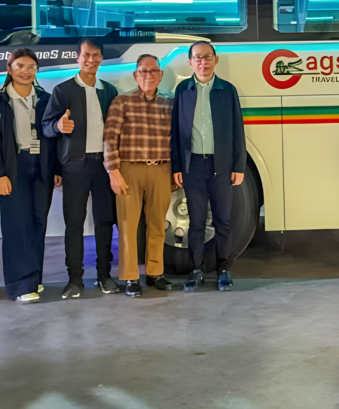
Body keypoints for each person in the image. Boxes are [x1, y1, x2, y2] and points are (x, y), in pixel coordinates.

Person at [43, 38, 120, 299]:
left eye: (96, 55)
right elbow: (46, 126)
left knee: (104, 222)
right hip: (74, 166)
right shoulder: (62, 90)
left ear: (101, 58)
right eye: (86, 55)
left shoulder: (109, 91)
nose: (91, 60)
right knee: (73, 224)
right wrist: (57, 127)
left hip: (103, 166)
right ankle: (74, 279)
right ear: (78, 57)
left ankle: (104, 276)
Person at [0, 49, 61, 303]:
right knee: (17, 226)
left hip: (42, 167)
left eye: (31, 66)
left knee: (38, 223)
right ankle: (19, 286)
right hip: (13, 168)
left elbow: (56, 138)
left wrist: (57, 169)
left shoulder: (46, 99)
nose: (26, 71)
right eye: (20, 66)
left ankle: (33, 279)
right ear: (9, 69)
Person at [171, 42, 246, 292]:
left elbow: (237, 130)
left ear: (215, 60)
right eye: (197, 58)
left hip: (221, 166)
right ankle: (196, 269)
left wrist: (238, 165)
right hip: (193, 166)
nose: (202, 62)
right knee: (196, 221)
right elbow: (176, 132)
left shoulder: (227, 90)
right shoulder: (183, 90)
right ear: (190, 62)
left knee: (223, 219)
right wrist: (177, 166)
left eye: (207, 57)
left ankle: (223, 268)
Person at [103, 54, 174, 297]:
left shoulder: (169, 103)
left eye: (153, 71)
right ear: (136, 75)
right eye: (143, 71)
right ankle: (131, 277)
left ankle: (155, 272)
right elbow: (110, 138)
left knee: (157, 224)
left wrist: (175, 171)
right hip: (129, 170)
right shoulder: (121, 102)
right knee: (127, 226)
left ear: (160, 75)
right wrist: (113, 171)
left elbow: (176, 140)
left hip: (161, 169)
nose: (149, 75)